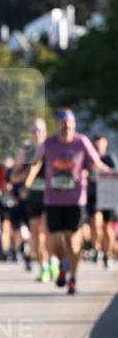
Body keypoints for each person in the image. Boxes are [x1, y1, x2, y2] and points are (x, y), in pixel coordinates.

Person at [24, 108, 111, 294]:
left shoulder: (81, 142)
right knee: (55, 242)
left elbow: (95, 163)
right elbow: (35, 163)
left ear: (74, 125)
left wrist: (110, 174)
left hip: (76, 200)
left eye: (70, 124)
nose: (67, 128)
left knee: (73, 242)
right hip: (53, 201)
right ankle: (62, 264)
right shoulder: (49, 144)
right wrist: (28, 182)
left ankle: (72, 278)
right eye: (63, 124)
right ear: (56, 125)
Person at [11, 119, 55, 282]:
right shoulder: (25, 151)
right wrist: (25, 176)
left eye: (40, 130)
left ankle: (53, 260)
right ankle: (44, 266)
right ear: (29, 133)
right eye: (34, 130)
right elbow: (14, 177)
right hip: (32, 198)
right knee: (36, 234)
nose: (37, 133)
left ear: (45, 131)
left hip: (51, 197)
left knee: (47, 230)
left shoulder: (52, 147)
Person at [87, 135, 118, 269]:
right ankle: (96, 248)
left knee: (108, 228)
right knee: (95, 222)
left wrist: (102, 169)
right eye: (95, 145)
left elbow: (115, 173)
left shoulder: (109, 158)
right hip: (93, 196)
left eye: (100, 145)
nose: (98, 148)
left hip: (107, 197)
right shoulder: (88, 160)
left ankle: (107, 253)